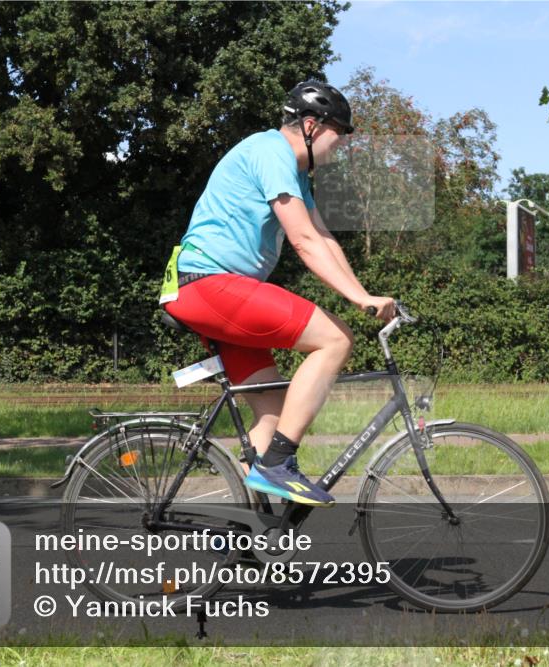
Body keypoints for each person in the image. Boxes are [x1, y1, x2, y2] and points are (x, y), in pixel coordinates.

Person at [159, 80, 396, 507]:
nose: (337, 147)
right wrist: (359, 302)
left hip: (215, 288)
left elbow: (324, 238)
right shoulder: (271, 152)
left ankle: (247, 530)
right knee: (336, 339)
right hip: (208, 283)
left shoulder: (295, 172)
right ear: (312, 125)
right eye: (337, 136)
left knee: (272, 411)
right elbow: (304, 242)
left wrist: (365, 293)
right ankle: (279, 464)